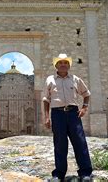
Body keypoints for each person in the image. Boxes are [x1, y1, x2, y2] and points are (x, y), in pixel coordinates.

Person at [43, 53, 93, 181]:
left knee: (80, 142)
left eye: (66, 63)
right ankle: (59, 174)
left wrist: (84, 107)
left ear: (69, 65)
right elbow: (46, 100)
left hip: (73, 113)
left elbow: (86, 93)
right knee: (60, 144)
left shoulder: (76, 79)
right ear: (56, 65)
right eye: (60, 63)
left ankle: (85, 173)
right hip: (57, 114)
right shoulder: (50, 80)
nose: (63, 65)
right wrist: (46, 117)